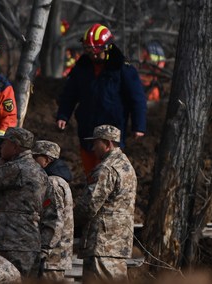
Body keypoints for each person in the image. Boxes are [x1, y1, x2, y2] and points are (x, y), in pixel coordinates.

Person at [56, 23, 147, 177]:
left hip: (112, 134)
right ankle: (91, 197)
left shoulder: (123, 69)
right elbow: (69, 94)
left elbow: (137, 98)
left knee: (108, 174)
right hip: (87, 130)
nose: (93, 55)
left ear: (107, 47)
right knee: (91, 174)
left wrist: (139, 126)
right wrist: (63, 115)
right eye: (88, 51)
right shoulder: (81, 68)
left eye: (96, 51)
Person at [0, 127, 48, 277]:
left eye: (5, 143)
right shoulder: (39, 170)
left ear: (15, 146)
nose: (1, 147)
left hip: (11, 242)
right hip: (30, 240)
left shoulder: (15, 168)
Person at [76, 124, 137, 280]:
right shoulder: (126, 166)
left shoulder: (107, 169)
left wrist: (72, 221)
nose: (92, 148)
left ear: (108, 143)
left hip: (102, 243)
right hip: (118, 242)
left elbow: (89, 205)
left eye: (96, 143)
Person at [32, 141, 74, 281]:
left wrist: (44, 251)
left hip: (51, 258)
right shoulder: (56, 180)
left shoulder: (52, 183)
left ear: (47, 159)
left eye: (36, 157)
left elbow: (54, 221)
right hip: (53, 257)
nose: (32, 161)